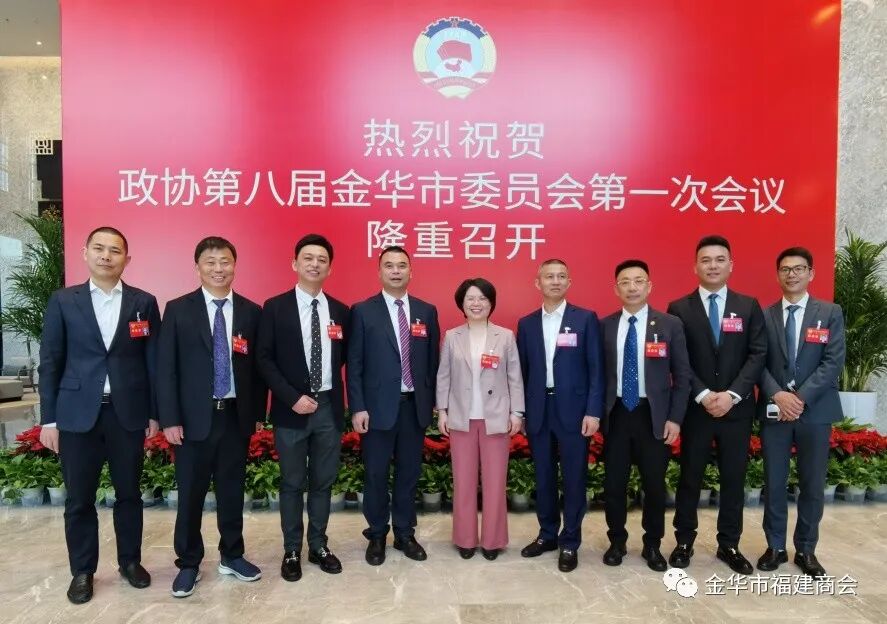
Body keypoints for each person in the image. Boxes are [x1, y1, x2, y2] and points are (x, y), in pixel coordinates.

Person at [38, 226, 161, 604]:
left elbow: (153, 363)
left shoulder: (143, 302)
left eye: (115, 250)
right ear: (85, 253)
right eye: (99, 248)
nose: (106, 256)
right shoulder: (63, 301)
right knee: (79, 499)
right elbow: (50, 362)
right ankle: (82, 571)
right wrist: (49, 420)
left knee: (130, 494)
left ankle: (130, 562)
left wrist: (154, 414)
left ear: (127, 258)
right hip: (77, 415)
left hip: (127, 414)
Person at [157, 236, 265, 597]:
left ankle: (232, 555)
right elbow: (166, 368)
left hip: (234, 417)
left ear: (235, 265)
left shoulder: (251, 311)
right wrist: (169, 418)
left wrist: (257, 414)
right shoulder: (178, 309)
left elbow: (257, 370)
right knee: (190, 494)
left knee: (232, 491)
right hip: (191, 422)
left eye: (225, 262)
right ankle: (188, 562)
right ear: (198, 267)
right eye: (210, 262)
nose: (219, 269)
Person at [666, 235, 766, 574]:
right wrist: (703, 394)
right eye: (706, 260)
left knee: (733, 479)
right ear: (695, 266)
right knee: (690, 477)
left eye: (719, 259)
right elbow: (678, 359)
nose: (712, 265)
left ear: (730, 265)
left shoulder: (748, 306)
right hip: (697, 409)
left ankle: (729, 544)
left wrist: (732, 395)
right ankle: (684, 541)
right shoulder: (679, 309)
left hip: (736, 410)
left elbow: (757, 354)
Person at [257, 234, 350, 581]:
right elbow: (264, 359)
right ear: (295, 263)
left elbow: (345, 358)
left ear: (330, 268)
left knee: (323, 482)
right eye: (308, 258)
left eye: (322, 259)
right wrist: (291, 397)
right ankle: (292, 549)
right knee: (292, 482)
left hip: (327, 407)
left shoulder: (340, 311)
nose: (315, 264)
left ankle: (319, 545)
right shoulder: (275, 307)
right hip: (290, 408)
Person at [347, 246, 440, 566]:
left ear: (411, 271)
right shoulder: (363, 311)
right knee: (375, 474)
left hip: (414, 407)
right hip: (376, 410)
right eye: (389, 265)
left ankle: (404, 533)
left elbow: (432, 362)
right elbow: (354, 364)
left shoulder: (426, 311)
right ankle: (376, 534)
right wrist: (357, 406)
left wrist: (433, 403)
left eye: (402, 265)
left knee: (409, 473)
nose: (396, 271)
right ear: (380, 272)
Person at [756, 247, 845, 578]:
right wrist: (779, 395)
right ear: (777, 274)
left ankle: (806, 549)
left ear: (811, 273)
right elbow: (757, 362)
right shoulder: (764, 316)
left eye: (798, 268)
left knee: (812, 483)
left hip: (815, 411)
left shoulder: (830, 312)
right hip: (775, 409)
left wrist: (800, 398)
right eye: (785, 269)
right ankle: (775, 546)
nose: (791, 274)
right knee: (774, 481)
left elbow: (833, 362)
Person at [600, 259, 691, 572]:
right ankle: (617, 541)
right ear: (616, 289)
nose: (632, 287)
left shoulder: (669, 325)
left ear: (649, 286)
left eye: (638, 281)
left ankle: (652, 544)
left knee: (653, 484)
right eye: (625, 282)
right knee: (614, 484)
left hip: (654, 416)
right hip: (616, 414)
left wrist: (675, 418)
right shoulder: (604, 326)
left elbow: (682, 376)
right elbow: (596, 375)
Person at [516, 258, 604, 572]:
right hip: (539, 410)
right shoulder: (526, 324)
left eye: (561, 276)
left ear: (569, 282)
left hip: (575, 412)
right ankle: (547, 534)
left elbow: (596, 369)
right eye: (549, 276)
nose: (555, 281)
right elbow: (521, 372)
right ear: (537, 283)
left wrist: (593, 411)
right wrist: (521, 412)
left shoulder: (585, 319)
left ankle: (570, 541)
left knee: (574, 478)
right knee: (543, 477)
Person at [436, 278, 525, 561]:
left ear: (491, 303)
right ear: (462, 304)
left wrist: (517, 413)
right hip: (461, 418)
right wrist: (442, 411)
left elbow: (515, 377)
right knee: (463, 482)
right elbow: (443, 376)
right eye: (470, 299)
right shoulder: (452, 336)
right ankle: (465, 538)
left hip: (495, 419)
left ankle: (492, 540)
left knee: (495, 483)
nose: (476, 304)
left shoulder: (505, 336)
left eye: (482, 298)